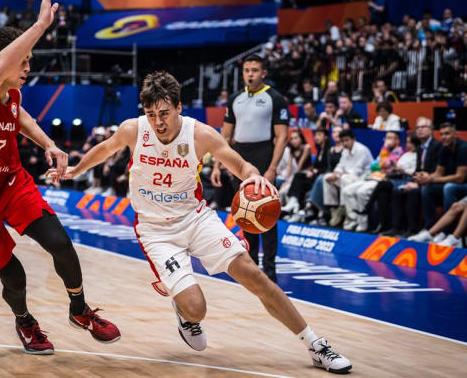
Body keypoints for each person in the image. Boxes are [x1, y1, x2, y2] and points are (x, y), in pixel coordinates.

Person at [52, 71, 352, 374]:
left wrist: (253, 175)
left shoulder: (200, 134)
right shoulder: (133, 130)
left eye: (165, 113)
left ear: (179, 107)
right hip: (155, 231)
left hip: (195, 218)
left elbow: (236, 161)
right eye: (151, 113)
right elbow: (105, 149)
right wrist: (75, 170)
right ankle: (185, 312)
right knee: (197, 308)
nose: (158, 122)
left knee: (253, 274)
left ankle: (316, 345)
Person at [0, 0, 120, 355]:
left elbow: (21, 118)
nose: (28, 65)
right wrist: (40, 25)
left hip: (10, 184)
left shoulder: (11, 96)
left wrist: (49, 143)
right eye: (22, 59)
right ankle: (24, 321)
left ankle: (79, 310)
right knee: (15, 276)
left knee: (61, 244)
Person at [210, 53, 289, 282]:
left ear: (263, 73)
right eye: (247, 70)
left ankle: (270, 268)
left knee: (268, 212)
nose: (250, 74)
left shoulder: (275, 98)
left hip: (264, 153)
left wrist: (273, 168)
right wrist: (217, 165)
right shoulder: (235, 98)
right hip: (240, 156)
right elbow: (224, 135)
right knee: (245, 212)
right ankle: (252, 264)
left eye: (255, 70)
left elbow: (282, 137)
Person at [341, 131, 403, 232]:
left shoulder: (399, 152)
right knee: (347, 191)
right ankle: (354, 219)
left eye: (391, 138)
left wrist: (384, 149)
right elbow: (374, 165)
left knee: (361, 192)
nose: (387, 141)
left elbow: (383, 164)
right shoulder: (385, 151)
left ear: (397, 141)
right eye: (386, 138)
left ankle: (363, 223)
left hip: (382, 181)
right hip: (371, 177)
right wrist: (380, 163)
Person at [414, 122, 467, 229]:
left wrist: (431, 179)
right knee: (427, 187)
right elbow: (438, 172)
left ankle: (447, 230)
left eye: (447, 134)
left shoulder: (465, 148)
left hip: (466, 185)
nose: (444, 137)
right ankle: (429, 227)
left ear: (455, 134)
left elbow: (459, 178)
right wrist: (426, 177)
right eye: (442, 134)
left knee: (449, 187)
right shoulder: (444, 148)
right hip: (453, 183)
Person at [323, 129, 374, 227]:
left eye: (347, 140)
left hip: (362, 178)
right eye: (342, 141)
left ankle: (346, 211)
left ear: (353, 139)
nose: (345, 143)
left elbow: (357, 171)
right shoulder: (345, 151)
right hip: (348, 177)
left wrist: (339, 175)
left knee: (344, 178)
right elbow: (341, 165)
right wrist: (335, 173)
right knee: (327, 177)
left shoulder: (361, 150)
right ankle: (334, 208)